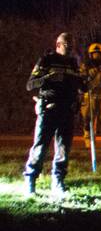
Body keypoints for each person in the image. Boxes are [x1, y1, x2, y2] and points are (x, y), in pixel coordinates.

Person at [24, 32, 86, 195]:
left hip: (68, 110)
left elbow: (82, 86)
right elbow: (30, 85)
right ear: (58, 45)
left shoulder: (74, 63)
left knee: (64, 148)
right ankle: (30, 179)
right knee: (41, 146)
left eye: (72, 46)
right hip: (49, 109)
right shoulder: (46, 60)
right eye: (67, 45)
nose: (70, 48)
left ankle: (58, 181)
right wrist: (48, 78)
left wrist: (86, 83)